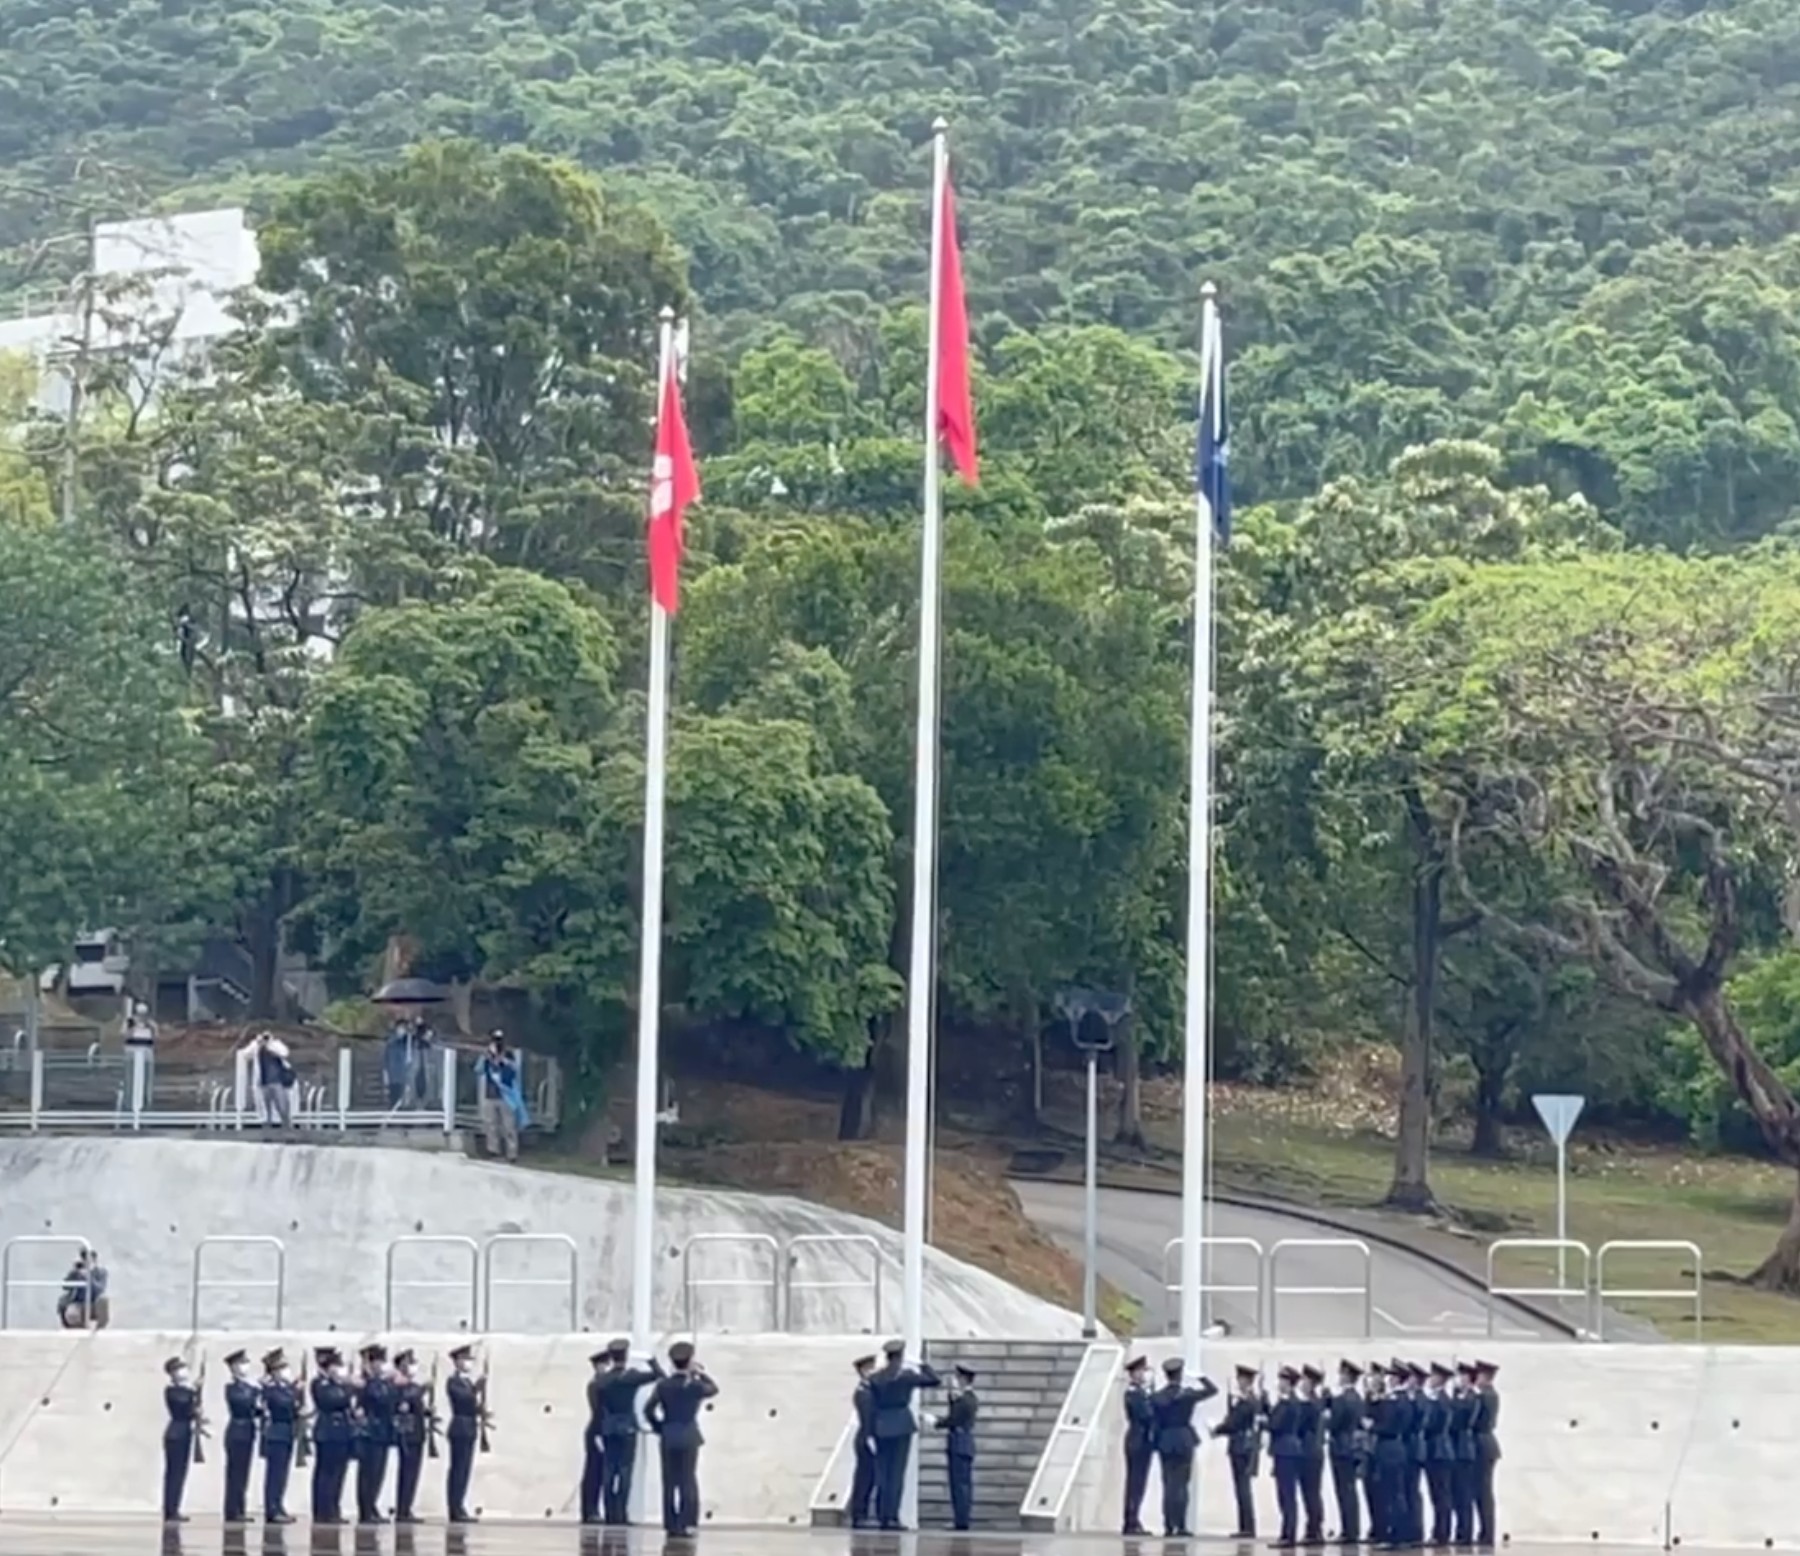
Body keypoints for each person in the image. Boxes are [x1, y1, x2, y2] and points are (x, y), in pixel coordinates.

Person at [864, 1338, 940, 1532]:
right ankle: (892, 1517)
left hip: (881, 1426)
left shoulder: (875, 1378)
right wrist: (921, 1363)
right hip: (901, 1425)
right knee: (896, 1474)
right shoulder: (906, 1376)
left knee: (883, 1473)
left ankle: (882, 1516)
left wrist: (869, 1431)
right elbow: (934, 1380)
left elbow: (869, 1408)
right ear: (901, 1357)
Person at [645, 1340, 719, 1536]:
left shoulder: (663, 1386)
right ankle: (688, 1521)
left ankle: (671, 1523)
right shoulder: (694, 1386)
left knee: (669, 1482)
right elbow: (713, 1389)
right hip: (688, 1436)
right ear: (689, 1361)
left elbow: (648, 1410)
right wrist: (699, 1373)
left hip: (668, 1436)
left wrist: (659, 1427)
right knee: (688, 1480)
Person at [593, 1338, 663, 1524]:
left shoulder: (602, 1380)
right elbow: (658, 1375)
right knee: (625, 1471)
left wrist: (599, 1431)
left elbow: (598, 1408)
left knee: (609, 1471)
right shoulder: (631, 1377)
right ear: (625, 1356)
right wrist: (650, 1359)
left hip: (608, 1428)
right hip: (627, 1427)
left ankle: (609, 1514)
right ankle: (621, 1514)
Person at [1149, 1354, 1217, 1538]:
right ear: (1180, 1375)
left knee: (1168, 1485)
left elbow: (1154, 1421)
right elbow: (1212, 1390)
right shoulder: (1187, 1395)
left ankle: (1169, 1525)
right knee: (1182, 1486)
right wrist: (1200, 1377)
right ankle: (1181, 1525)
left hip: (1165, 1441)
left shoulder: (1157, 1397)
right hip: (1184, 1439)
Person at [1213, 1363, 1264, 1539]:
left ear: (1246, 1381)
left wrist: (1217, 1429)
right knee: (1242, 1488)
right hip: (1243, 1446)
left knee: (1243, 1488)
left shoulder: (1247, 1401)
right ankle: (1245, 1526)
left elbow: (1233, 1423)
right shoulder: (1251, 1399)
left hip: (1241, 1447)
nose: (1238, 1382)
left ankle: (1247, 1527)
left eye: (1241, 1379)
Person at [310, 1346, 355, 1525]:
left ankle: (334, 1508)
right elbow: (332, 1401)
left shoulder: (338, 1385)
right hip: (327, 1432)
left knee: (338, 1473)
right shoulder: (320, 1384)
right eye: (336, 1365)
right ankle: (323, 1510)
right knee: (326, 1473)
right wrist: (349, 1387)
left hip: (341, 1432)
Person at [933, 1362, 979, 1531]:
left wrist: (936, 1422)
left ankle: (961, 1520)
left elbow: (953, 1419)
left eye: (957, 1377)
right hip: (963, 1443)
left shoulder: (965, 1400)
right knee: (961, 1484)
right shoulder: (967, 1398)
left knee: (959, 1485)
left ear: (963, 1379)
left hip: (959, 1443)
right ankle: (961, 1518)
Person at [356, 1342, 396, 1524]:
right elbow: (377, 1397)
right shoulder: (366, 1383)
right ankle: (365, 1510)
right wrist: (372, 1378)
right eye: (376, 1361)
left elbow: (392, 1399)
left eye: (382, 1361)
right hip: (370, 1433)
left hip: (383, 1432)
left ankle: (372, 1506)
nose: (380, 1365)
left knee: (378, 1473)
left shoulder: (383, 1382)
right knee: (368, 1473)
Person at [1329, 1360, 1367, 1547]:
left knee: (1344, 1491)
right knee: (1350, 1490)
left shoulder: (1342, 1399)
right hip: (1352, 1447)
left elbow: (1334, 1423)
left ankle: (1349, 1530)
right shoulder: (1358, 1398)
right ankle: (1352, 1529)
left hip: (1341, 1447)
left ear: (1346, 1376)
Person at [259, 1349, 299, 1525]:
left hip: (286, 1433)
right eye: (281, 1368)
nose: (285, 1371)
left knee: (282, 1474)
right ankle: (272, 1509)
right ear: (273, 1371)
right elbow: (283, 1405)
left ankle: (279, 1505)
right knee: (274, 1474)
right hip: (276, 1434)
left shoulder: (286, 1388)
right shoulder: (271, 1390)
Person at [221, 1349, 261, 1524]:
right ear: (234, 1367)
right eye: (241, 1363)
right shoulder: (232, 1388)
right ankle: (232, 1510)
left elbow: (257, 1410)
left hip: (248, 1431)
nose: (245, 1367)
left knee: (243, 1473)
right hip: (236, 1431)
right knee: (234, 1473)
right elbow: (242, 1405)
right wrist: (255, 1392)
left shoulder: (249, 1388)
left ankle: (240, 1508)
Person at [476, 1031, 527, 1162]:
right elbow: (478, 1070)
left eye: (499, 1040)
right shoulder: (486, 1056)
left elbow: (515, 1070)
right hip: (490, 1095)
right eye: (494, 1040)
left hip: (506, 1097)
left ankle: (512, 1153)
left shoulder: (509, 1055)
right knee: (491, 1125)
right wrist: (487, 1056)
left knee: (509, 1126)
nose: (497, 1043)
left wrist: (502, 1060)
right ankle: (493, 1151)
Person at [392, 1350, 429, 1524]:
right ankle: (402, 1510)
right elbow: (403, 1403)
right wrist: (422, 1390)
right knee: (406, 1473)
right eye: (409, 1363)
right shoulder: (399, 1385)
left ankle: (407, 1508)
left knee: (413, 1474)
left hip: (418, 1433)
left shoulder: (412, 1386)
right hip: (407, 1434)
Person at [445, 1344, 481, 1523]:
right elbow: (463, 1400)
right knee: (457, 1470)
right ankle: (454, 1507)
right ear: (457, 1361)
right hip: (459, 1427)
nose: (468, 1363)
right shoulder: (454, 1382)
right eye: (465, 1359)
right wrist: (476, 1390)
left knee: (465, 1470)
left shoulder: (466, 1382)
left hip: (470, 1427)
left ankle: (460, 1504)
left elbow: (474, 1406)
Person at [1120, 1355, 1155, 1535]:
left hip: (1143, 1440)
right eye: (1141, 1371)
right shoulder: (1133, 1394)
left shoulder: (1141, 1392)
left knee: (1140, 1483)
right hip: (1137, 1440)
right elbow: (1146, 1415)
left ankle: (1134, 1518)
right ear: (1134, 1373)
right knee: (1135, 1482)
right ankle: (1130, 1520)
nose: (1143, 1375)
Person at [162, 1355, 199, 1524]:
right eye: (178, 1369)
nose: (183, 1372)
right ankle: (170, 1509)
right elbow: (183, 1406)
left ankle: (174, 1507)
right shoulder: (172, 1390)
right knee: (174, 1473)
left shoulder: (186, 1390)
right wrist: (194, 1392)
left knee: (180, 1473)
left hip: (185, 1433)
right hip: (175, 1433)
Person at [1425, 1363, 1457, 1546]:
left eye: (1434, 1376)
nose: (1430, 1379)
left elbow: (1435, 1425)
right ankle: (1439, 1531)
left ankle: (1442, 1533)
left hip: (1440, 1451)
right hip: (1436, 1450)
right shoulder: (1439, 1399)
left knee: (1441, 1495)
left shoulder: (1442, 1400)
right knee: (1437, 1495)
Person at [1449, 1363, 1478, 1548]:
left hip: (1464, 1449)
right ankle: (1460, 1531)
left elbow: (1463, 1419)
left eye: (1462, 1376)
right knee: (1456, 1493)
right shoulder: (1462, 1397)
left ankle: (1466, 1532)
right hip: (1456, 1448)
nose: (1459, 1379)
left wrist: (1455, 1401)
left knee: (1464, 1492)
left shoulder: (1472, 1398)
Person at [1472, 1360, 1501, 1550]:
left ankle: (1487, 1532)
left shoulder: (1486, 1396)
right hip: (1485, 1444)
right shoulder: (1488, 1395)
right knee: (1481, 1491)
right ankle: (1485, 1531)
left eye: (1479, 1375)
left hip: (1483, 1445)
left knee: (1483, 1491)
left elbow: (1477, 1421)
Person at [848, 1354, 879, 1530]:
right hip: (866, 1437)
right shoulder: (863, 1392)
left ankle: (862, 1513)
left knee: (868, 1477)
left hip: (868, 1436)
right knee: (864, 1478)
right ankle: (859, 1515)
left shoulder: (868, 1389)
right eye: (870, 1368)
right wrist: (870, 1438)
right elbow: (867, 1418)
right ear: (863, 1371)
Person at [1299, 1364, 1327, 1544]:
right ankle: (1314, 1528)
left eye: (1304, 1380)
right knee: (1312, 1492)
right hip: (1314, 1451)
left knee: (1311, 1493)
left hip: (1309, 1452)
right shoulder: (1317, 1402)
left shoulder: (1311, 1404)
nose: (1301, 1383)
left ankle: (1314, 1530)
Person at [56, 1247, 109, 1329]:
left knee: (103, 1300)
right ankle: (80, 1329)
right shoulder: (77, 1272)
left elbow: (99, 1289)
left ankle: (99, 1329)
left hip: (94, 1303)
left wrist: (88, 1277)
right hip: (79, 1303)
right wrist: (74, 1272)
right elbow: (65, 1286)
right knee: (71, 1313)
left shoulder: (101, 1272)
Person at [253, 1032, 294, 1128]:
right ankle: (267, 1128)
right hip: (264, 1082)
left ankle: (287, 1126)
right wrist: (257, 1043)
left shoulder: (276, 1045)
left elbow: (284, 1053)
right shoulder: (257, 1048)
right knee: (265, 1108)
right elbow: (245, 1053)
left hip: (278, 1081)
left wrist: (270, 1045)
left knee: (282, 1106)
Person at [124, 1000, 158, 1103]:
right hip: (132, 1054)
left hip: (147, 1054)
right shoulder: (129, 1023)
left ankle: (147, 1100)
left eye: (143, 1015)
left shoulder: (151, 1024)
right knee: (130, 1080)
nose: (141, 1017)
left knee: (147, 1081)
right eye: (139, 1014)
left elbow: (156, 1036)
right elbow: (124, 1035)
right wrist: (133, 1027)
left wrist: (151, 1027)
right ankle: (129, 1100)